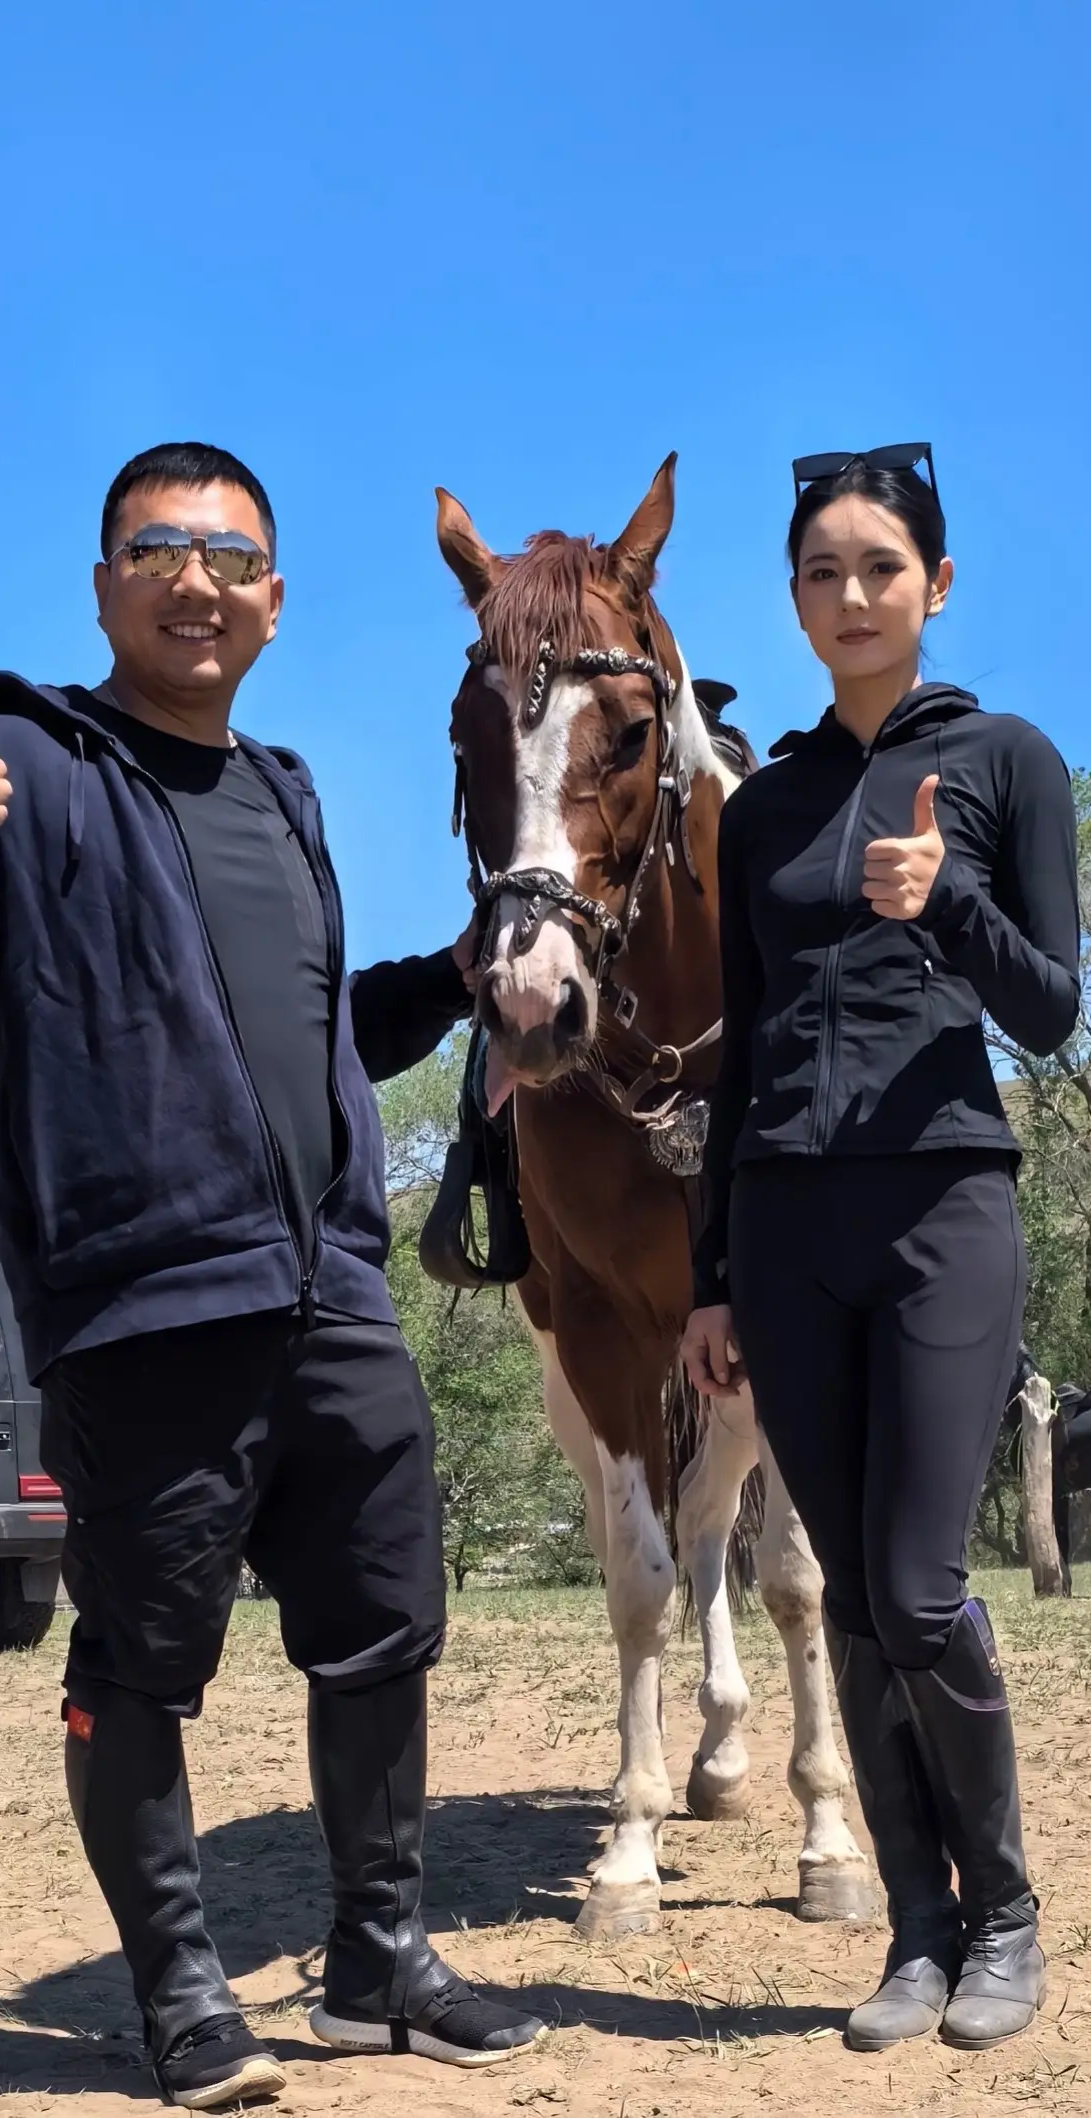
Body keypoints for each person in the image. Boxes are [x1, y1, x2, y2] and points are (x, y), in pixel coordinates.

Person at [0, 443, 543, 2109]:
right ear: (106, 581)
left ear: (274, 597)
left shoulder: (288, 790)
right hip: (146, 1295)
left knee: (387, 1630)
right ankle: (184, 1991)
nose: (199, 579)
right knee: (137, 1659)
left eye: (232, 555)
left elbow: (316, 1038)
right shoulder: (19, 762)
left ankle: (375, 1960)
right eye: (159, 548)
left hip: (330, 1284)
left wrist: (455, 980)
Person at [681, 445, 1080, 2057]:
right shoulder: (763, 804)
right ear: (791, 600)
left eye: (880, 569)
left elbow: (1053, 1008)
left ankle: (1006, 1914)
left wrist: (948, 910)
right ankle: (916, 1934)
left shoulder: (1007, 759)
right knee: (848, 1591)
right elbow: (740, 1041)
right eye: (821, 575)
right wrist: (710, 1269)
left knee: (921, 1583)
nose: (850, 597)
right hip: (783, 1222)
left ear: (937, 583)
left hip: (941, 1205)